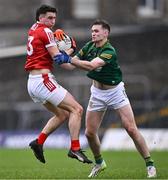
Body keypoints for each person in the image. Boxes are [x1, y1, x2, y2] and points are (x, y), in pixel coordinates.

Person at [54, 19, 157, 178]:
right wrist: (60, 56)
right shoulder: (89, 46)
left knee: (130, 128)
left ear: (105, 33)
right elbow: (71, 66)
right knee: (89, 133)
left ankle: (150, 164)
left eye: (96, 31)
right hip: (97, 93)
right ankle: (99, 162)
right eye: (92, 31)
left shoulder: (109, 50)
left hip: (115, 92)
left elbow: (90, 66)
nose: (93, 33)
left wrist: (69, 58)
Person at [25, 4, 92, 164]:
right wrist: (71, 48)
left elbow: (65, 65)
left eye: (54, 18)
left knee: (62, 114)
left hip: (33, 82)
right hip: (43, 80)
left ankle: (38, 142)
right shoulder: (46, 31)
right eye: (49, 18)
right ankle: (74, 148)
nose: (53, 21)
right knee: (77, 109)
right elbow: (60, 59)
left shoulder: (34, 28)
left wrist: (65, 50)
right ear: (40, 17)